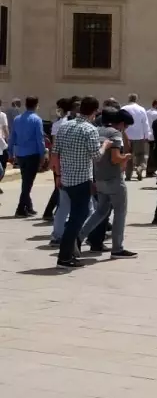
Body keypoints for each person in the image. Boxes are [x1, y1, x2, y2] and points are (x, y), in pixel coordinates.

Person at [50, 96, 104, 269]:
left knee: (73, 215)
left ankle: (69, 253)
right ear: (94, 111)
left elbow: (55, 154)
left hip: (66, 179)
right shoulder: (90, 130)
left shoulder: (64, 126)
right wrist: (106, 146)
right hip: (81, 180)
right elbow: (96, 156)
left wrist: (58, 176)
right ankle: (64, 257)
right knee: (76, 220)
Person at [79, 109, 137, 258]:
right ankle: (117, 248)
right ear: (122, 123)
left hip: (99, 177)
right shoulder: (115, 133)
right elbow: (115, 158)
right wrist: (126, 157)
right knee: (120, 213)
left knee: (100, 211)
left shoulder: (96, 131)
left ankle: (78, 237)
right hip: (114, 178)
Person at [9, 96, 47, 217]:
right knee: (28, 182)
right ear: (36, 105)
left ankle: (28, 206)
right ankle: (20, 208)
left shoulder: (17, 119)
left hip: (20, 153)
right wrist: (43, 154)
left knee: (26, 180)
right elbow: (39, 139)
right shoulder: (36, 119)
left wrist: (11, 152)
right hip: (32, 153)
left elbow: (12, 136)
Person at [120, 93, 151, 181]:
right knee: (140, 155)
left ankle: (128, 175)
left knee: (127, 155)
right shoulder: (141, 109)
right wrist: (147, 135)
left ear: (129, 99)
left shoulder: (124, 108)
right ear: (136, 99)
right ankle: (140, 168)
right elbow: (145, 123)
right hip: (139, 136)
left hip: (126, 136)